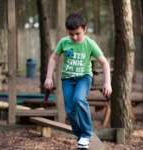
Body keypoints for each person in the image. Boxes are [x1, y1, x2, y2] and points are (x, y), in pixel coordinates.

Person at [44, 13, 112, 149]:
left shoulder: (90, 44)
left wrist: (107, 82)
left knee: (79, 99)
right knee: (70, 109)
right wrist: (48, 77)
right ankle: (80, 134)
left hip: (84, 77)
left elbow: (104, 63)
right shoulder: (64, 42)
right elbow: (53, 58)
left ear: (85, 29)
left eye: (77, 34)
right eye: (71, 34)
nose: (74, 37)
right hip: (67, 79)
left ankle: (87, 133)